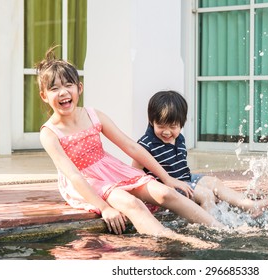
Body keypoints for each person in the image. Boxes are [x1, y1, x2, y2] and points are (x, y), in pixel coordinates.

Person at [36, 46, 223, 248]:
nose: (63, 92)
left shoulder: (92, 115)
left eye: (68, 85)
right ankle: (180, 239)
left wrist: (167, 178)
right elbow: (74, 176)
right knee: (133, 204)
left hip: (110, 168)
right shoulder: (49, 133)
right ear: (44, 96)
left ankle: (220, 228)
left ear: (79, 88)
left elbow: (131, 147)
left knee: (166, 193)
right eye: (54, 89)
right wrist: (103, 207)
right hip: (86, 181)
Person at [132, 90, 268, 218]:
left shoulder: (179, 138)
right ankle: (210, 226)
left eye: (173, 127)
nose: (167, 132)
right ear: (151, 122)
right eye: (161, 126)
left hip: (184, 179)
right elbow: (135, 172)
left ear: (182, 123)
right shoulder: (146, 144)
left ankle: (250, 206)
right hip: (168, 187)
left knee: (214, 183)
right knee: (206, 195)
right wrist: (150, 193)